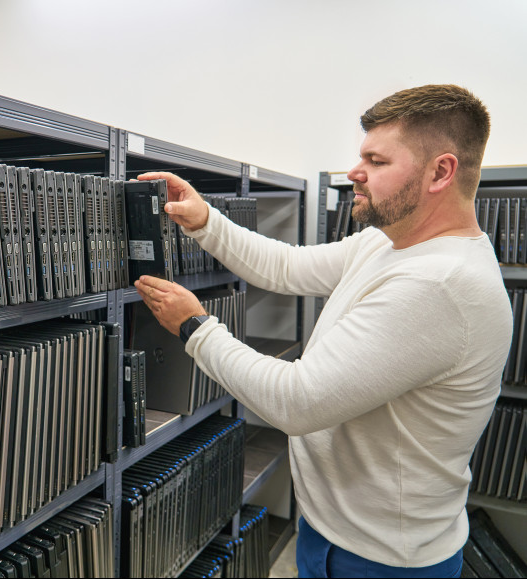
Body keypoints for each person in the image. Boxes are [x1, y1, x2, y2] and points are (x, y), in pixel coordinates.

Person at [134, 84, 512, 578]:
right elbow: (288, 267)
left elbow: (298, 401)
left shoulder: (440, 284)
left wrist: (194, 327)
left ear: (440, 171)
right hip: (336, 531)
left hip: (378, 560)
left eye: (376, 161)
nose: (355, 172)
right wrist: (206, 221)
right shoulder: (390, 244)